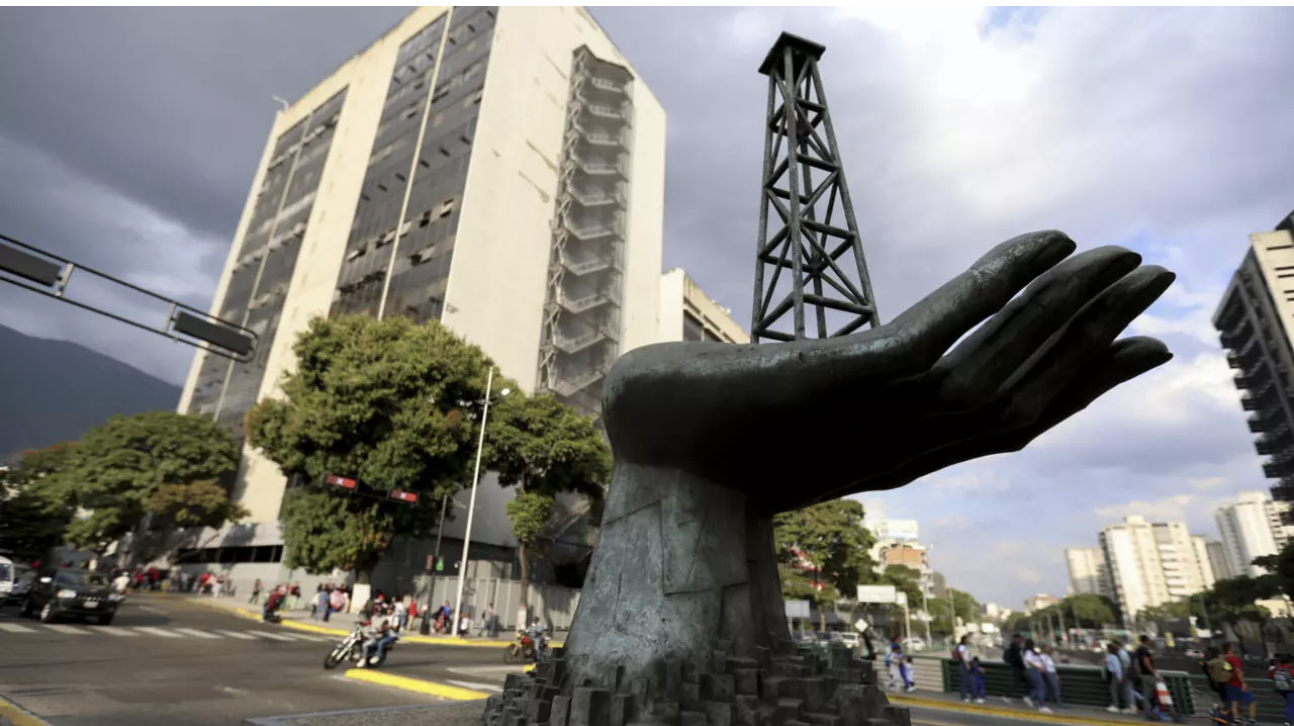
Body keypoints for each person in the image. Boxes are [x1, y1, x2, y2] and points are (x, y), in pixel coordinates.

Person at [1223, 641, 1257, 725]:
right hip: (1238, 684)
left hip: (1229, 684)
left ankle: (1236, 719)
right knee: (1252, 702)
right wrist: (1243, 683)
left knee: (1234, 702)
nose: (1235, 648)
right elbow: (1238, 670)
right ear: (1230, 649)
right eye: (1233, 646)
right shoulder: (1234, 659)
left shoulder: (1225, 659)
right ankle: (1252, 720)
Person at [358, 602, 398, 668]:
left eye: (379, 611)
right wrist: (361, 623)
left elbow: (385, 628)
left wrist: (382, 630)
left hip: (384, 636)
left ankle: (371, 657)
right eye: (377, 611)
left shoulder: (389, 618)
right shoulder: (375, 617)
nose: (378, 613)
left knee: (376, 643)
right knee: (363, 638)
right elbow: (368, 623)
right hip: (375, 634)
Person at [1135, 635, 1163, 720]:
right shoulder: (1144, 650)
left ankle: (1148, 713)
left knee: (1146, 695)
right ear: (1146, 641)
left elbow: (1137, 664)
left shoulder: (1138, 650)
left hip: (1143, 674)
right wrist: (1154, 673)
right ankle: (1163, 712)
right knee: (1161, 692)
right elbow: (1146, 662)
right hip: (1149, 675)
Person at [1022, 639, 1052, 714]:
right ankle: (1041, 706)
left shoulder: (1032, 652)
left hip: (1035, 671)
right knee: (1041, 687)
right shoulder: (1028, 652)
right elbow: (1029, 662)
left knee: (1039, 687)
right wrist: (1039, 668)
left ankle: (1030, 697)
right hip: (1033, 670)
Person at [1268, 651, 1294, 726]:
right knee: (1291, 705)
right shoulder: (1291, 670)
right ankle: (1287, 721)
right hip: (1291, 690)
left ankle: (1289, 720)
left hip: (1280, 689)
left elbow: (1270, 676)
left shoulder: (1276, 669)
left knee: (1290, 704)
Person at [1003, 634, 1029, 706]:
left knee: (1024, 681)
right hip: (1017, 667)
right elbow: (1018, 659)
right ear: (1017, 639)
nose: (1021, 640)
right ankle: (1007, 696)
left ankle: (1027, 696)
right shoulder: (1015, 647)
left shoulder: (1014, 646)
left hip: (1017, 667)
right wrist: (1023, 668)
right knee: (1016, 682)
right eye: (1020, 639)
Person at [1040, 644, 1063, 709]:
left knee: (1052, 688)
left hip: (1052, 673)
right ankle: (1060, 704)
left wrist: (1056, 674)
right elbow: (1044, 666)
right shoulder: (1042, 656)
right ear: (1044, 648)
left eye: (1049, 648)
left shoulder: (1047, 656)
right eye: (1047, 648)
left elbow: (1052, 666)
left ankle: (1051, 702)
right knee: (1055, 688)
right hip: (1049, 673)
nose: (1049, 649)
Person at [954, 635, 974, 703]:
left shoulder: (964, 647)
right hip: (964, 665)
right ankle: (964, 697)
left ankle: (966, 695)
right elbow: (962, 656)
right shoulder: (962, 647)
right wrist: (967, 664)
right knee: (964, 681)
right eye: (968, 639)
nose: (969, 641)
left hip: (965, 664)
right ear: (964, 640)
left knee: (966, 680)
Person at [1105, 642, 1124, 713]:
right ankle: (1114, 704)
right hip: (1113, 675)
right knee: (1113, 690)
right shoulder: (1111, 656)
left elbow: (1117, 668)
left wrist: (1119, 677)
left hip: (1115, 675)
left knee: (1113, 690)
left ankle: (1116, 706)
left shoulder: (1113, 657)